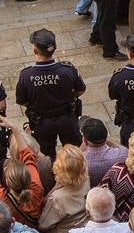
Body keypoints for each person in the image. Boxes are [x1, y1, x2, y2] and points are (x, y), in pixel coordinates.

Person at [14, 28, 86, 158]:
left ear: (35, 50)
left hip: (41, 123)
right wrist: (68, 97)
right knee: (74, 154)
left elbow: (21, 100)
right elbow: (81, 89)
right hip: (67, 118)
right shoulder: (68, 70)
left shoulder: (26, 75)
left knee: (46, 156)